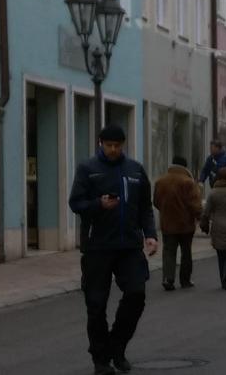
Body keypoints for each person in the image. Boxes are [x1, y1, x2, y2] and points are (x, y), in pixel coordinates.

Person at [68, 125, 158, 375]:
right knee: (96, 304)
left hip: (129, 245)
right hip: (97, 246)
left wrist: (150, 234)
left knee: (136, 294)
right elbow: (76, 203)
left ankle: (117, 347)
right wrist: (99, 204)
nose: (113, 150)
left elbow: (144, 207)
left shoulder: (135, 170)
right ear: (100, 143)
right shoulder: (88, 169)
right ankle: (100, 359)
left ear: (123, 145)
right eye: (108, 145)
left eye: (117, 145)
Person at [153, 156, 203, 291]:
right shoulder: (188, 182)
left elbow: (156, 202)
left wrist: (165, 211)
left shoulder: (160, 181)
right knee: (186, 252)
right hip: (185, 224)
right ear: (185, 167)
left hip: (167, 223)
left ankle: (168, 278)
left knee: (169, 251)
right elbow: (195, 205)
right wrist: (200, 217)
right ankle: (185, 280)